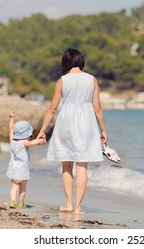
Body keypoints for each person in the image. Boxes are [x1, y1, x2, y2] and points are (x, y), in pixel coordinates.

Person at [37, 48, 108, 215]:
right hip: (86, 123)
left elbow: (52, 109)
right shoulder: (92, 80)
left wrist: (42, 131)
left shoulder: (62, 81)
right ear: (81, 61)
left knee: (67, 164)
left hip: (66, 123)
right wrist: (103, 130)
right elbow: (97, 108)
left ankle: (68, 203)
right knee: (82, 166)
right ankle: (78, 208)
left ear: (66, 62)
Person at [6, 111, 45, 209]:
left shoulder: (12, 141)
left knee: (14, 187)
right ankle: (21, 203)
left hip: (13, 169)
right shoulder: (25, 142)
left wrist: (11, 118)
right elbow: (32, 143)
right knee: (23, 188)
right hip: (23, 170)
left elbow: (11, 129)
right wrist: (41, 140)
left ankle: (12, 201)